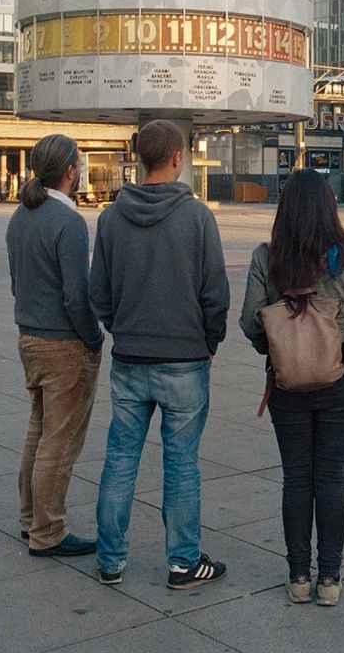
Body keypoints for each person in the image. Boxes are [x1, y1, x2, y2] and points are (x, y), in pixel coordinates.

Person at [240, 170, 344, 606]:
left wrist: (276, 348)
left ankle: (297, 577)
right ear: (330, 207)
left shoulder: (268, 257)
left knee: (296, 477)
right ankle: (329, 578)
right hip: (340, 377)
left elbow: (250, 320)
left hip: (285, 381)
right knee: (330, 477)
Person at [90, 119, 230, 590]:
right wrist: (209, 341)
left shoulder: (111, 218)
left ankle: (110, 560)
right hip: (185, 359)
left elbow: (98, 293)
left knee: (120, 458)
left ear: (139, 158)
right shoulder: (197, 218)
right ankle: (183, 563)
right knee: (182, 462)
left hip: (130, 357)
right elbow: (215, 294)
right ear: (176, 157)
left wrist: (122, 328)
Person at [5, 133, 103, 558]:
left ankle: (30, 518)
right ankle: (48, 531)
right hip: (63, 344)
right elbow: (76, 296)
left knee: (39, 431)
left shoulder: (20, 216)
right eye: (77, 163)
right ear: (69, 171)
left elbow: (17, 283)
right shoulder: (68, 222)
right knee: (60, 441)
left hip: (29, 337)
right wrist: (93, 338)